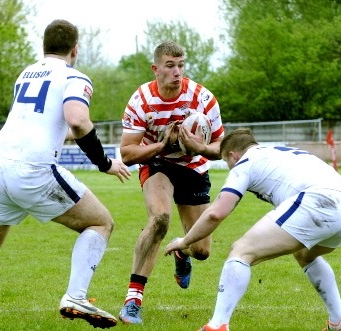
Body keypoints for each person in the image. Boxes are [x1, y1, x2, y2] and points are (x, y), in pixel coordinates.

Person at [0, 19, 131, 331]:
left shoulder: (26, 73)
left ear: (43, 47)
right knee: (100, 222)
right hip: (33, 170)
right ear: (75, 49)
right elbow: (78, 121)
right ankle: (76, 296)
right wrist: (104, 163)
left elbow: (44, 125)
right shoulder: (74, 76)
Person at [165, 128, 341, 331]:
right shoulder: (278, 150)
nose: (231, 168)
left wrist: (184, 242)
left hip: (318, 201)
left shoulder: (245, 163)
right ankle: (339, 322)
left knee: (241, 251)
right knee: (305, 255)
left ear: (234, 155)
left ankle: (217, 325)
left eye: (228, 162)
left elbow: (216, 213)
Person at [117, 41, 225, 325]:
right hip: (157, 164)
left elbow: (220, 147)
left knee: (201, 251)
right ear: (156, 69)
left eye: (181, 65)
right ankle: (132, 301)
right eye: (170, 66)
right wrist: (162, 145)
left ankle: (181, 248)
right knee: (160, 219)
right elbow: (127, 153)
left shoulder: (202, 98)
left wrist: (199, 147)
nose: (177, 72)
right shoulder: (141, 100)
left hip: (193, 167)